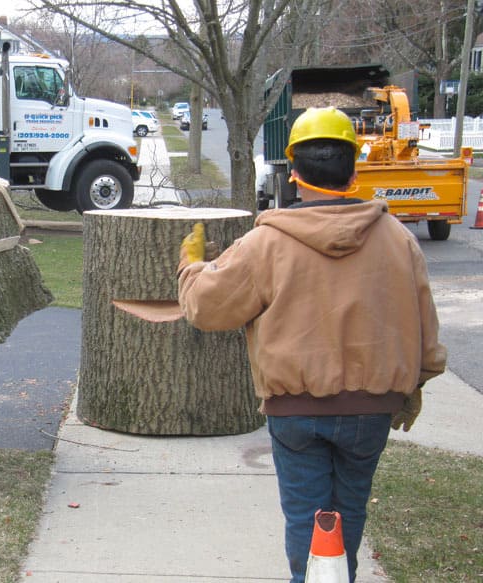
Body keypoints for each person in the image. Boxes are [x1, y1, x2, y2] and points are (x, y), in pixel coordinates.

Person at [176, 106, 447, 583]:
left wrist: (192, 266)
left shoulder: (266, 244)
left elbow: (205, 309)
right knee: (349, 517)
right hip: (372, 409)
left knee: (310, 523)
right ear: (354, 168)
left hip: (295, 410)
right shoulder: (398, 241)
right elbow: (424, 326)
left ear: (293, 170)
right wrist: (415, 383)